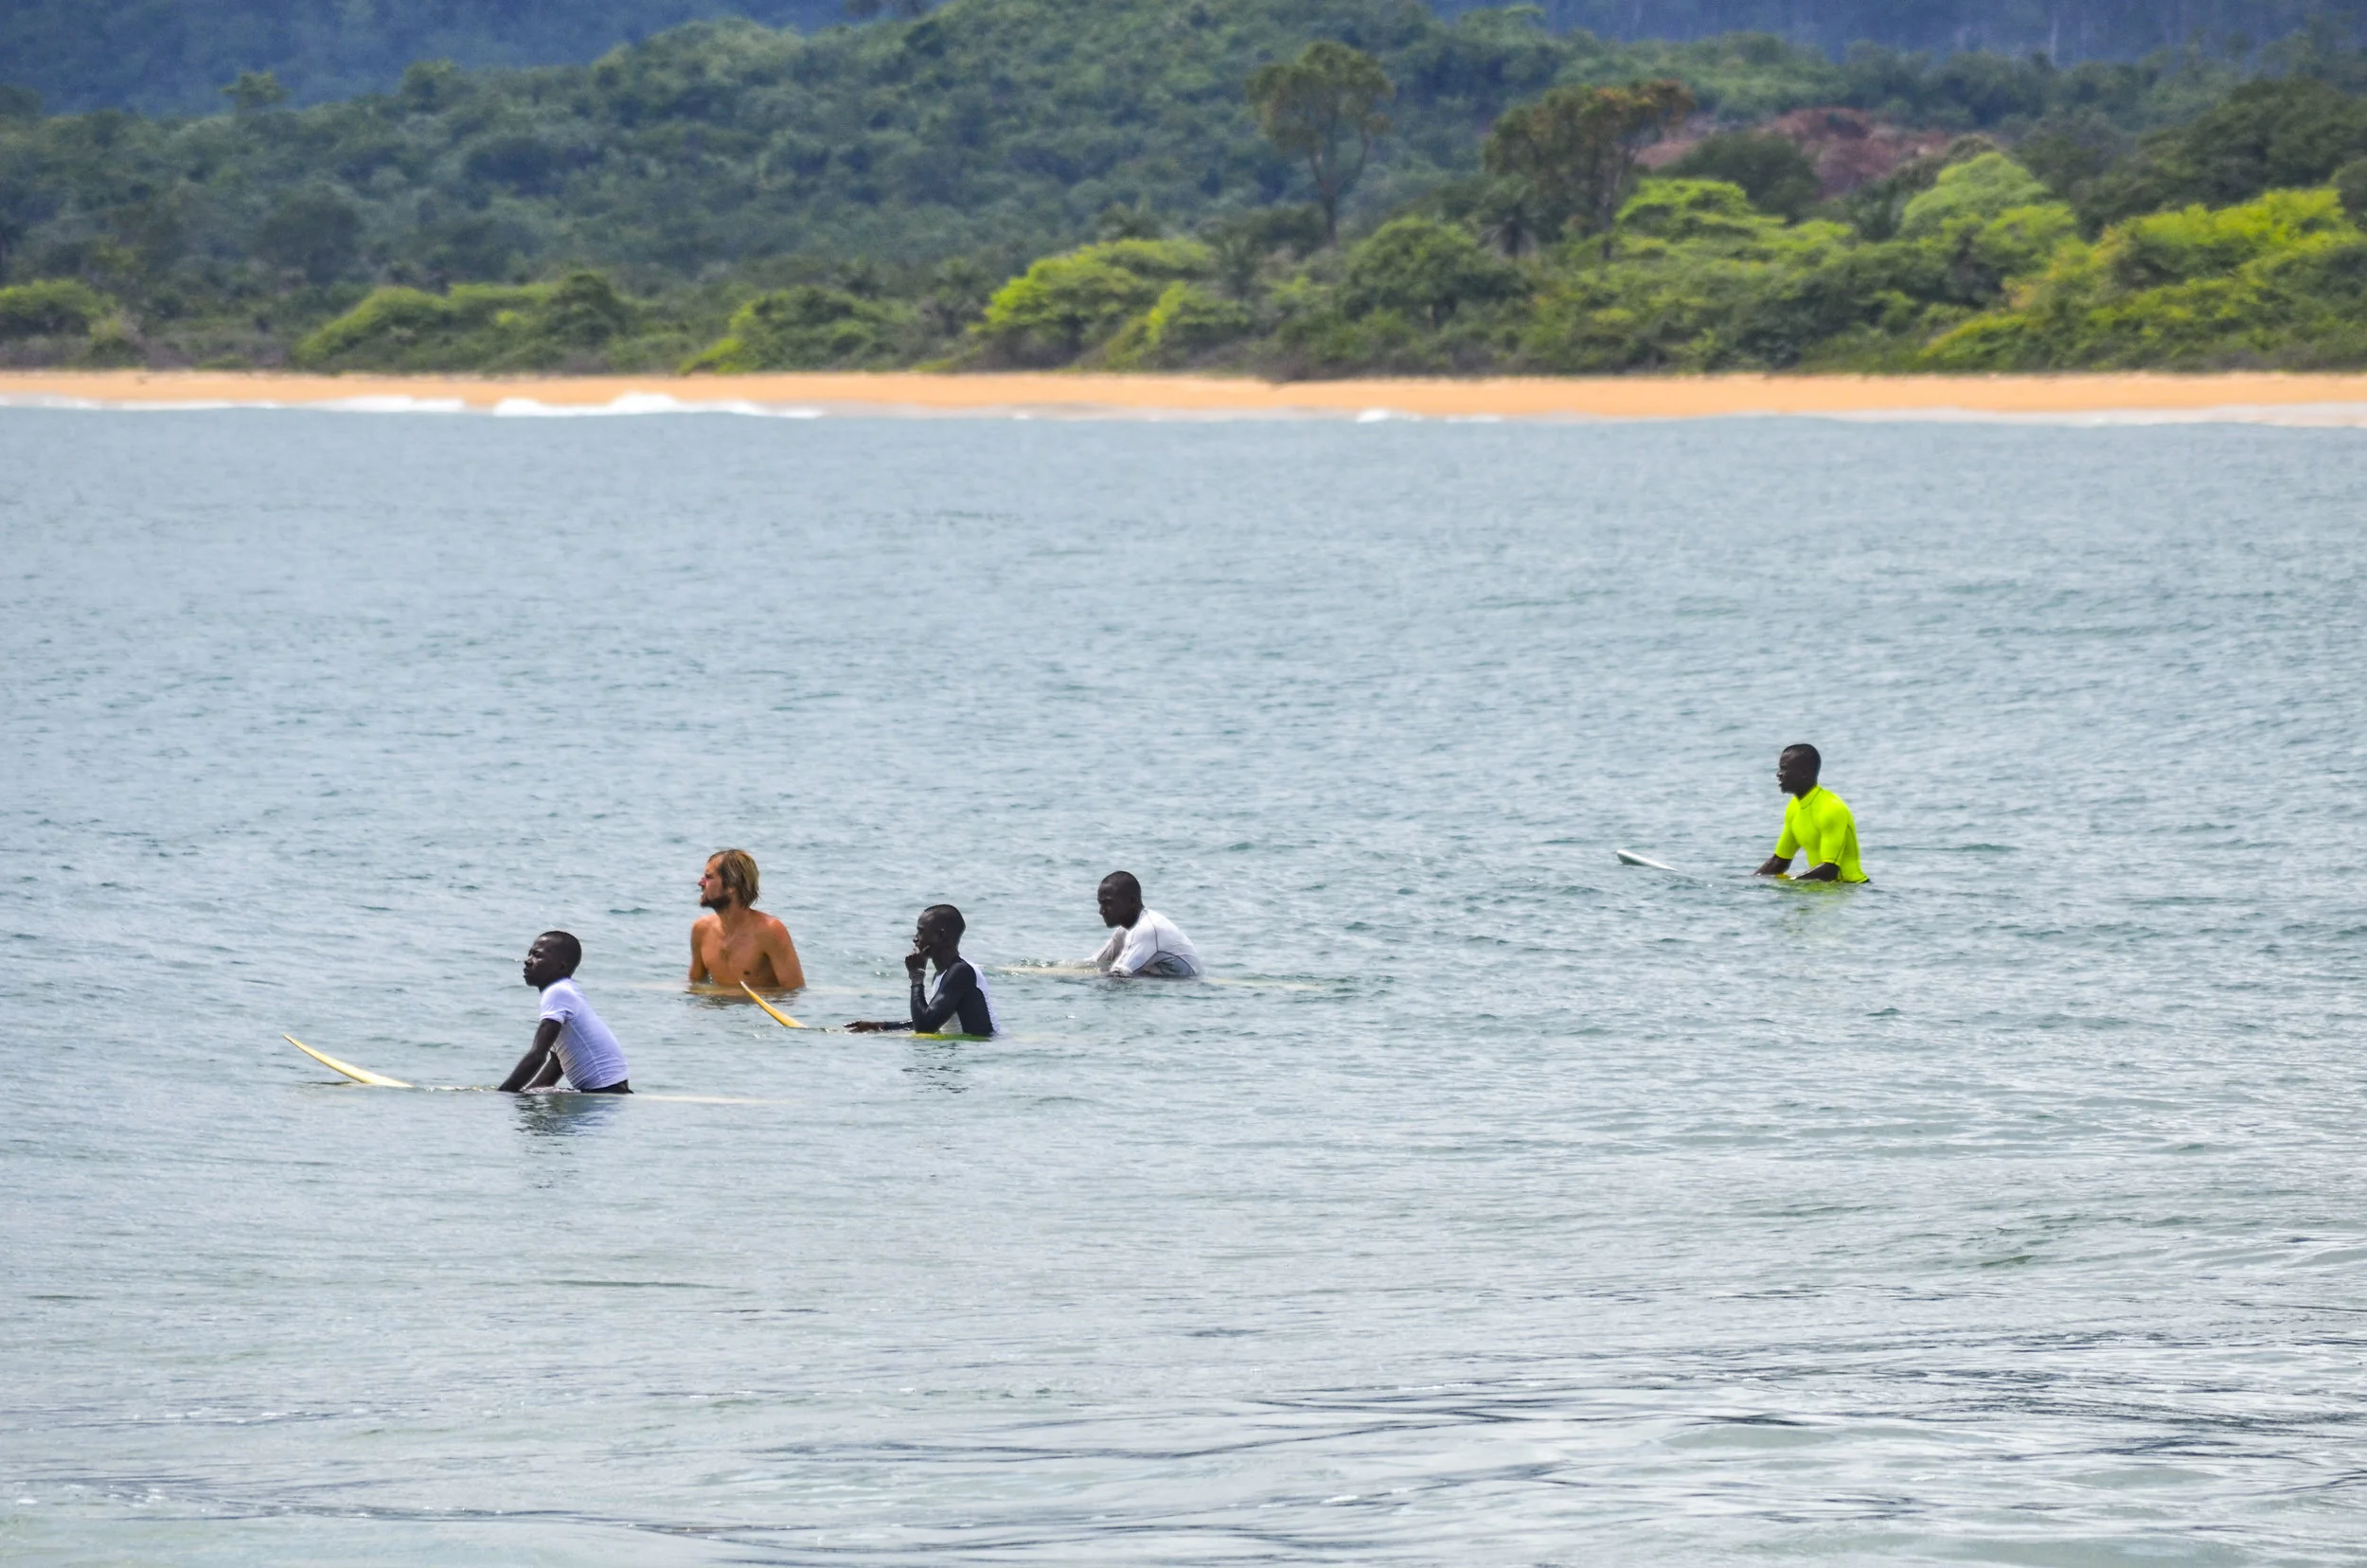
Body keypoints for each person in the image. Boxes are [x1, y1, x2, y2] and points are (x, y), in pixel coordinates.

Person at [501, 930, 632, 1093]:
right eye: (529, 955)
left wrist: (502, 1094)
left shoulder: (558, 992)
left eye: (537, 955)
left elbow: (537, 1056)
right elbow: (557, 1064)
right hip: (613, 1090)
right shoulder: (566, 991)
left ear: (562, 966)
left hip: (604, 1092)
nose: (527, 961)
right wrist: (527, 1091)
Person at [846, 904, 998, 1036]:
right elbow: (931, 1018)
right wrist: (879, 1027)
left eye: (921, 931)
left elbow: (925, 1027)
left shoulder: (961, 971)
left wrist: (916, 976)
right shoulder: (943, 974)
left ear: (940, 935)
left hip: (982, 1052)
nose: (915, 938)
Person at [689, 847, 805, 989]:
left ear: (732, 885)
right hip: (717, 1010)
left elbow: (793, 993)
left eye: (708, 877)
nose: (700, 883)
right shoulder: (701, 929)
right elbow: (694, 986)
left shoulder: (769, 930)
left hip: (756, 1011)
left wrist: (726, 995)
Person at [1754, 743, 1868, 883]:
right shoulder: (1794, 807)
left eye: (1784, 769)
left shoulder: (1831, 808)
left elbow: (1830, 870)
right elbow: (1780, 860)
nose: (1778, 774)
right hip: (1822, 892)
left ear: (1804, 773)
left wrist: (1792, 883)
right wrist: (1748, 884)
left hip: (1852, 890)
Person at [1091, 871, 1203, 978]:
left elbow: (1119, 974)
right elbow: (1096, 964)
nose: (1101, 911)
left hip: (1188, 985)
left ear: (1132, 902)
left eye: (1108, 903)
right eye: (1101, 904)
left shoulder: (1147, 929)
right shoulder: (1125, 931)